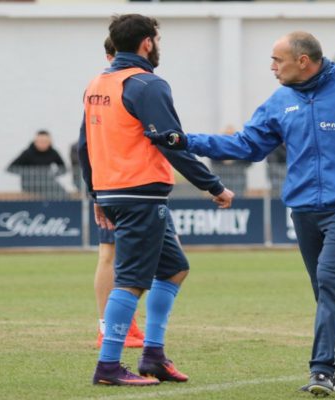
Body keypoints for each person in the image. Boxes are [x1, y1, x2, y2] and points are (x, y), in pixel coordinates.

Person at [147, 31, 335, 395]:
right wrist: (187, 141)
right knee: (327, 287)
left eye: (277, 59)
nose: (271, 66)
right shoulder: (279, 101)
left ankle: (322, 370)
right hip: (302, 209)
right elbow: (246, 145)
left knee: (330, 281)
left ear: (303, 61)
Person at [79, 14, 234, 386]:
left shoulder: (98, 83)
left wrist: (95, 193)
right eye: (157, 39)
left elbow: (85, 145)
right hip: (140, 194)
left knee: (174, 268)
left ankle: (153, 355)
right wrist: (213, 185)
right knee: (131, 280)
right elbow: (170, 142)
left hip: (116, 192)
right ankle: (108, 366)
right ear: (147, 42)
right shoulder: (147, 84)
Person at [92, 36, 145, 349]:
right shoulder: (113, 87)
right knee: (110, 253)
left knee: (123, 255)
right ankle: (110, 326)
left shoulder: (103, 88)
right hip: (121, 183)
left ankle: (122, 322)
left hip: (118, 182)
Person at [7, 130, 67, 198]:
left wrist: (53, 174)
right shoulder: (27, 153)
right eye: (40, 141)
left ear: (50, 142)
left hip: (47, 182)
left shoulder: (53, 153)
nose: (43, 144)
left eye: (45, 141)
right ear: (35, 142)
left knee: (63, 194)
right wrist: (28, 173)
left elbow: (63, 168)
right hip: (30, 184)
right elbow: (10, 168)